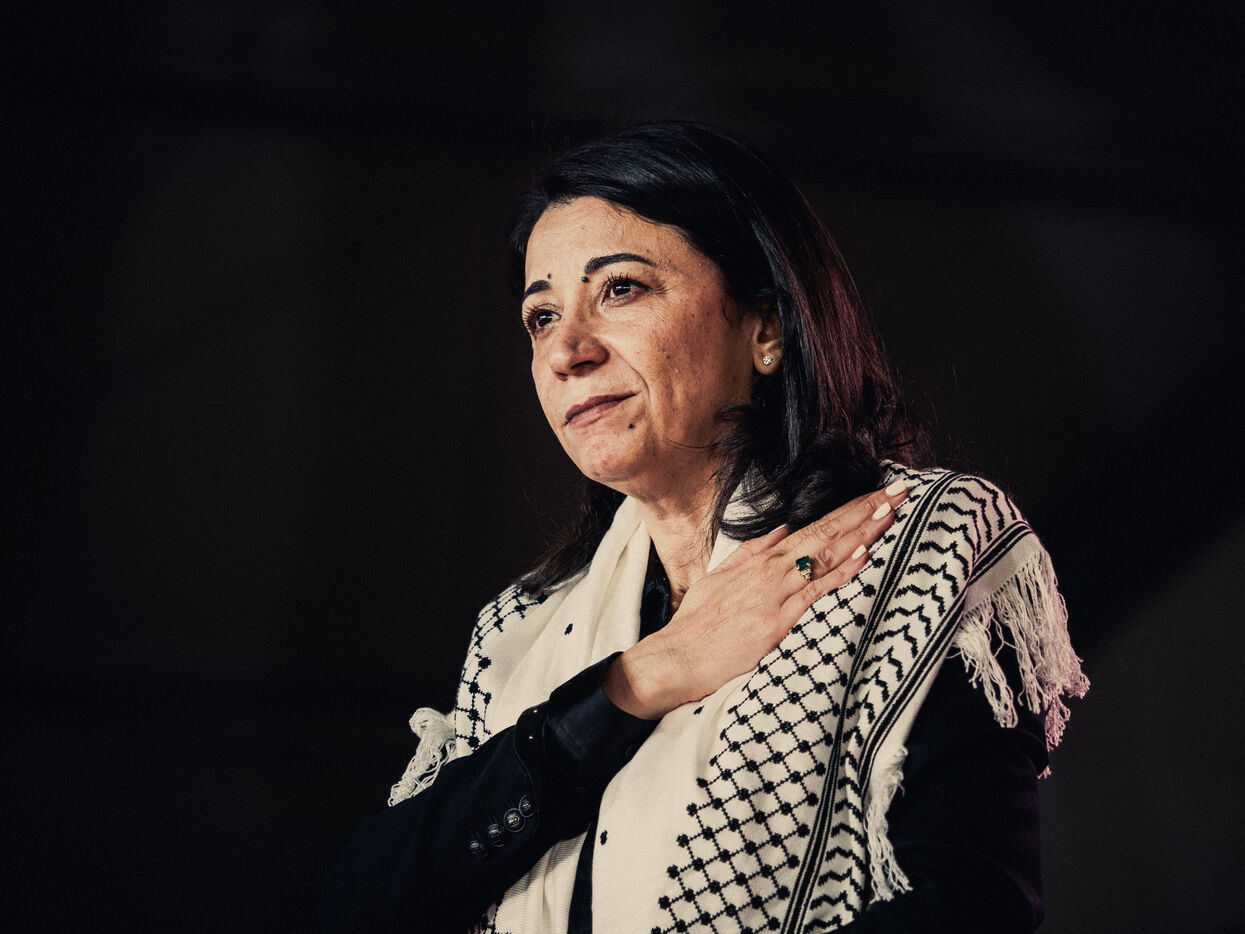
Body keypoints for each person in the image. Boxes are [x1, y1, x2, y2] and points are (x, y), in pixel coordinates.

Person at [321, 122, 1088, 934]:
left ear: (765, 327)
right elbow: (358, 907)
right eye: (540, 317)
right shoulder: (520, 632)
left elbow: (971, 909)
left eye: (620, 289)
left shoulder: (915, 542)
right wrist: (642, 677)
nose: (565, 351)